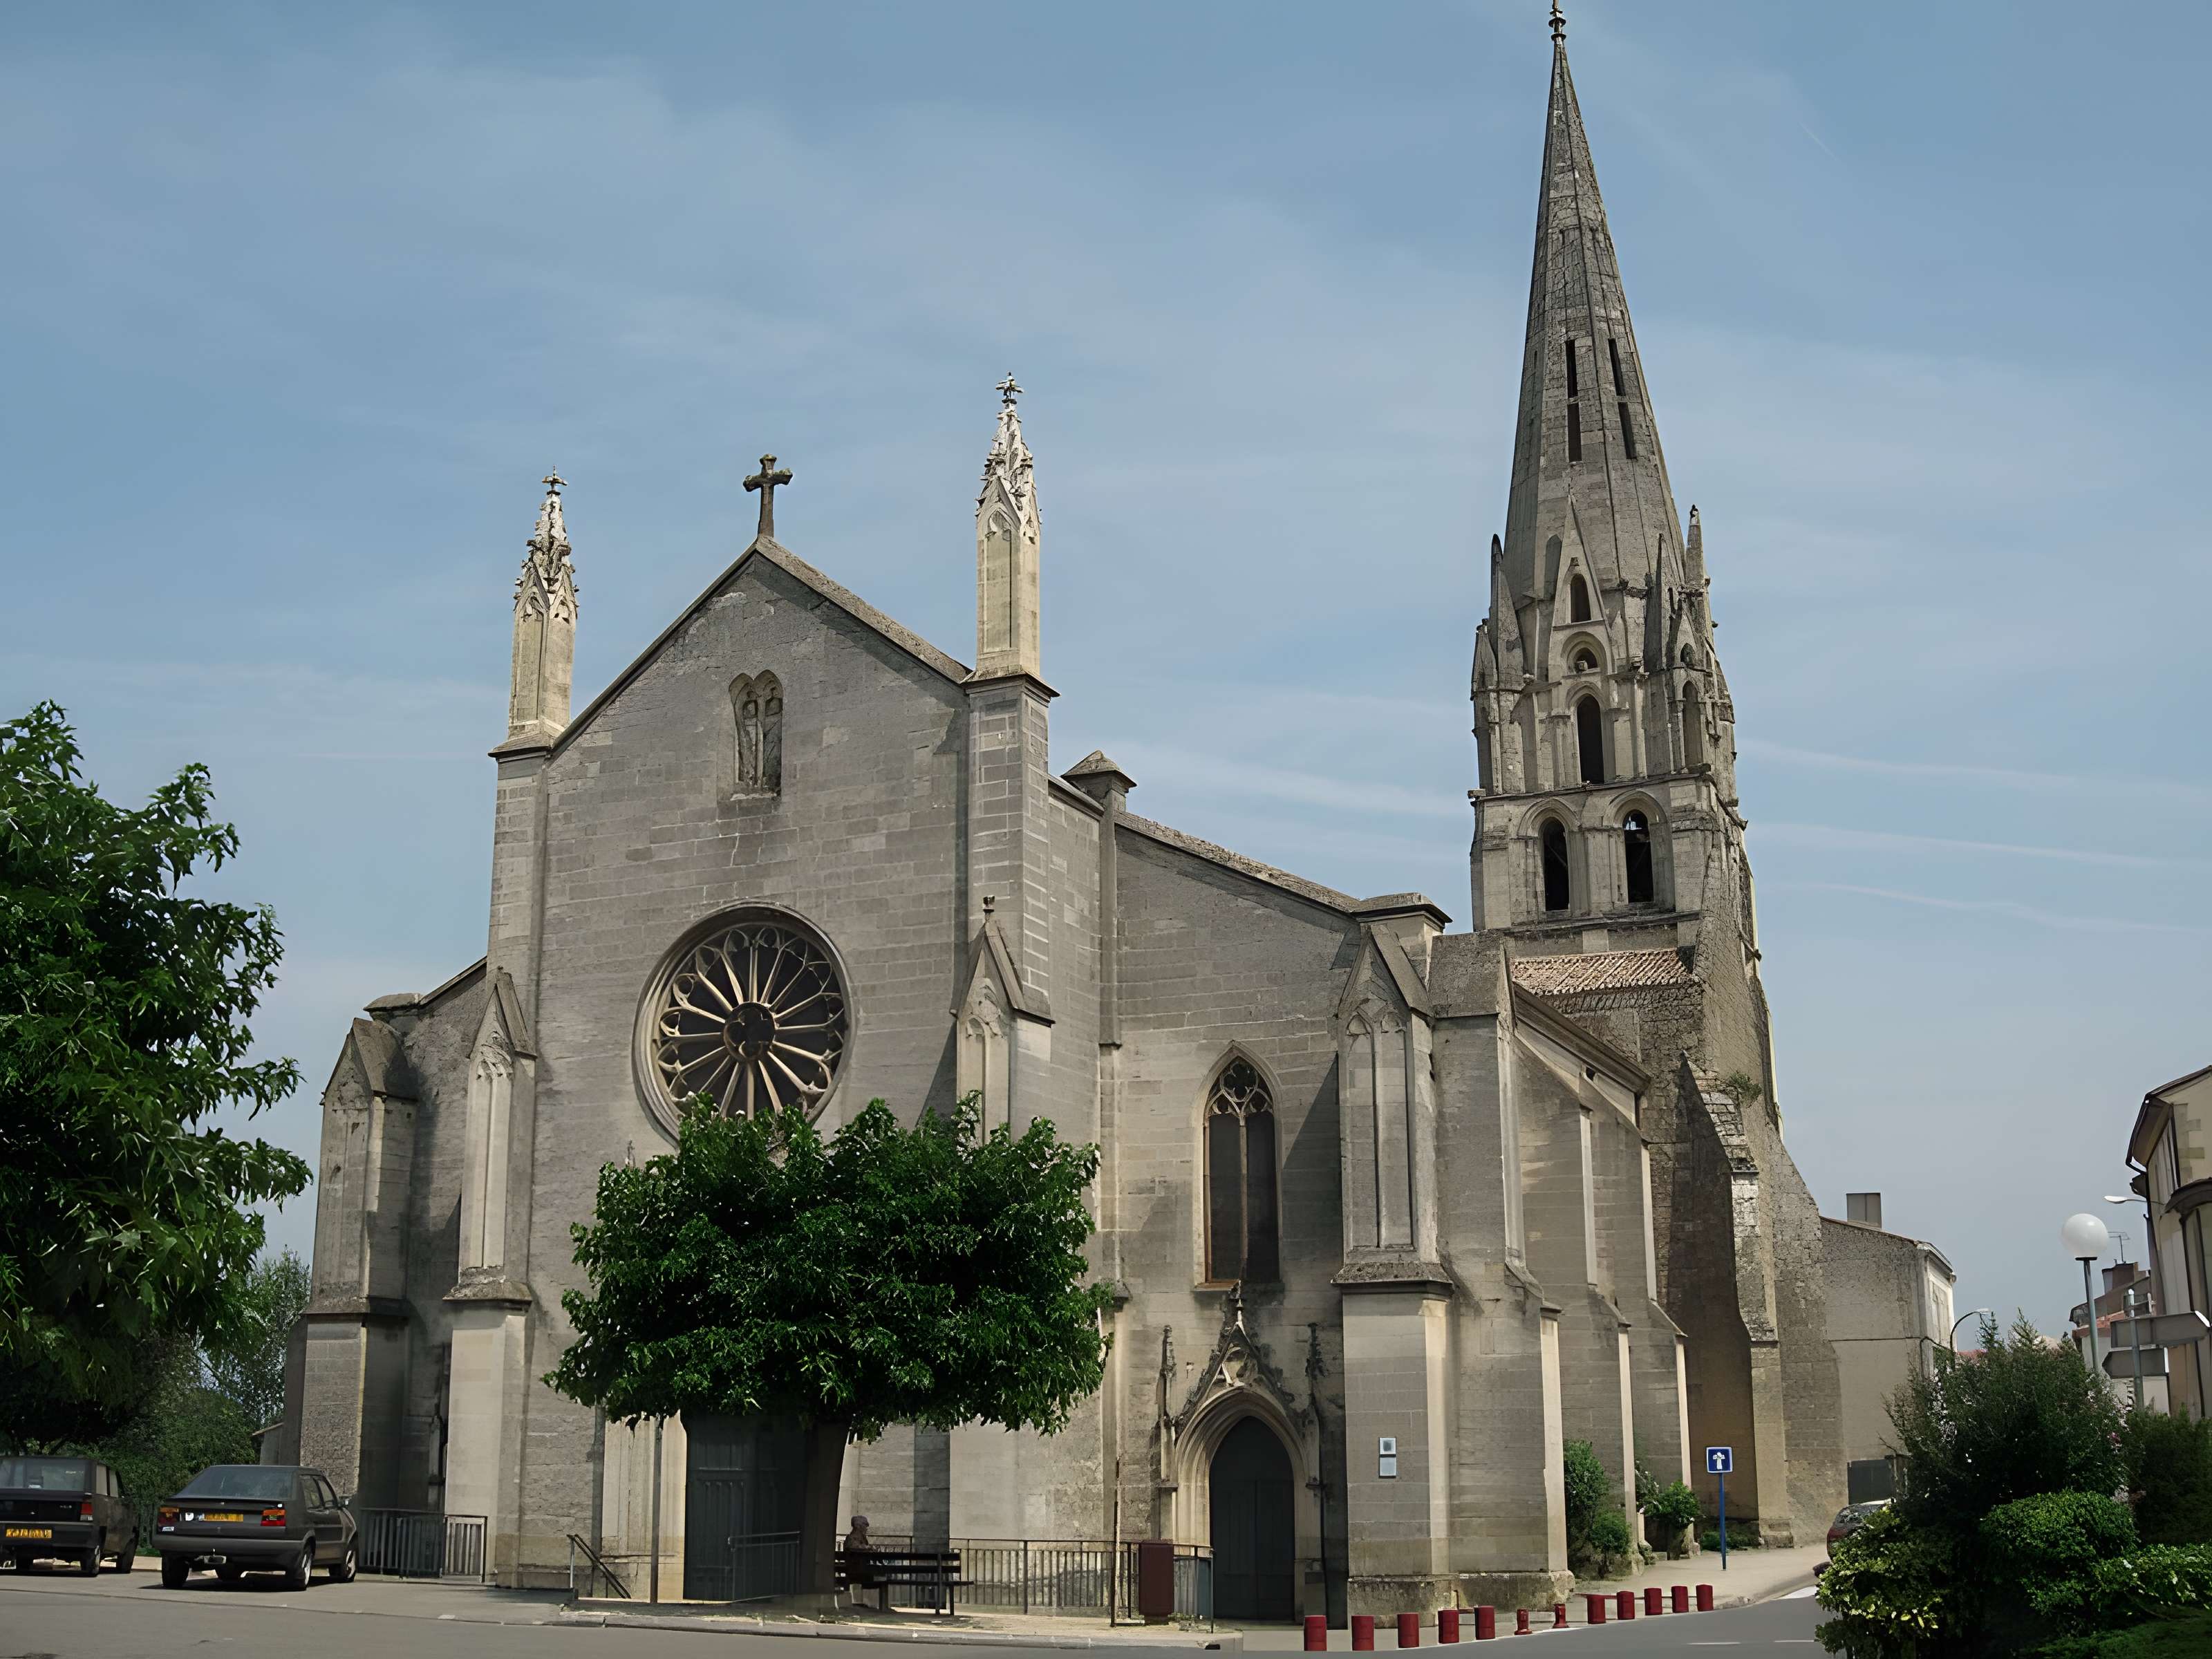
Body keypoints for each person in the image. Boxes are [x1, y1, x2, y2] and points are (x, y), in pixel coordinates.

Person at [843, 1514, 880, 1610]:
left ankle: (869, 1603)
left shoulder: (862, 1539)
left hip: (861, 1569)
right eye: (865, 1524)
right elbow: (855, 1549)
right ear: (858, 1526)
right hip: (855, 1570)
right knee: (877, 1575)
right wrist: (867, 1548)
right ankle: (868, 1604)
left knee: (878, 1574)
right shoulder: (852, 1538)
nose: (867, 1526)